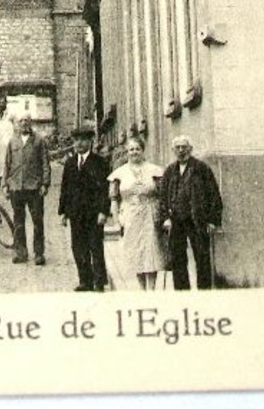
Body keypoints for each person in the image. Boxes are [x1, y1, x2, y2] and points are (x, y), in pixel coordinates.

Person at [158, 136, 223, 290]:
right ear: (173, 150)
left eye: (184, 147)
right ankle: (182, 293)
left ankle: (204, 292)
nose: (181, 151)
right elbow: (163, 198)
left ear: (190, 149)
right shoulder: (169, 171)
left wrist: (213, 220)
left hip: (197, 220)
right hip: (176, 221)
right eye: (178, 147)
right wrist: (165, 218)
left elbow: (214, 194)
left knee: (202, 257)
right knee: (178, 258)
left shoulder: (201, 168)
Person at [108, 134, 165, 289]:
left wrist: (163, 216)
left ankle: (151, 289)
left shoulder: (154, 170)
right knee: (135, 253)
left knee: (150, 252)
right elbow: (114, 198)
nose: (134, 152)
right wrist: (116, 221)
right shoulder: (119, 173)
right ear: (127, 152)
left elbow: (162, 195)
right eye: (131, 149)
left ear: (142, 150)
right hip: (129, 216)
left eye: (137, 149)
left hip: (150, 215)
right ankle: (142, 288)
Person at [58, 125, 110, 291]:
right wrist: (63, 212)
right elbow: (65, 188)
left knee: (95, 246)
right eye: (76, 140)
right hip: (76, 214)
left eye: (83, 140)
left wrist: (103, 211)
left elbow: (104, 189)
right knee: (78, 247)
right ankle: (85, 281)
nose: (79, 144)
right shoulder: (70, 163)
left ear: (90, 141)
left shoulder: (100, 163)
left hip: (94, 214)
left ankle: (99, 281)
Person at [3, 114, 51, 266]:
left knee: (37, 221)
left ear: (31, 123)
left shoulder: (39, 141)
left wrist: (45, 183)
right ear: (17, 124)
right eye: (21, 121)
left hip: (34, 187)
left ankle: (38, 253)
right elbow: (7, 165)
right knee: (18, 222)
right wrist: (5, 184)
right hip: (16, 187)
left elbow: (45, 163)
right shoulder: (12, 142)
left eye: (26, 121)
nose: (23, 123)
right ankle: (21, 252)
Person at [0, 98, 16, 179]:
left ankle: (8, 179)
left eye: (3, 102)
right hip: (0, 142)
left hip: (8, 141)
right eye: (0, 103)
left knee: (8, 160)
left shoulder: (11, 114)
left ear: (6, 103)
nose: (1, 104)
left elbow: (16, 127)